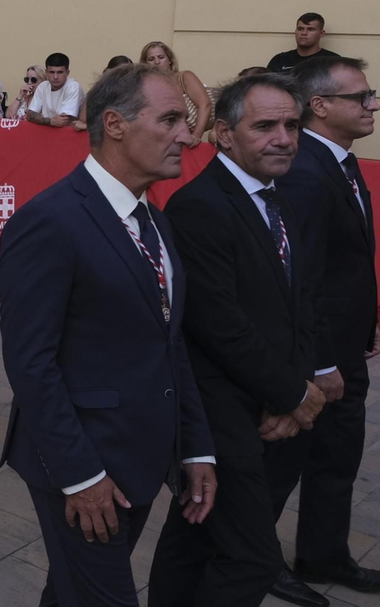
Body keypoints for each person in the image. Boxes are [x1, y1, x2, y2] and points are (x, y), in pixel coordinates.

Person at [0, 63, 216, 606]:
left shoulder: (156, 221)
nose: (187, 135)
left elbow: (171, 343)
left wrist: (196, 448)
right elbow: (31, 363)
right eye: (169, 119)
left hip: (141, 459)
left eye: (185, 121)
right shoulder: (50, 220)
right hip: (82, 467)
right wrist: (80, 475)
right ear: (115, 125)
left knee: (72, 592)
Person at [147, 73, 323, 607]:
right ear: (224, 134)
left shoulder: (276, 197)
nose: (284, 137)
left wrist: (294, 394)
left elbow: (299, 305)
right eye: (265, 125)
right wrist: (295, 395)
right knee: (252, 561)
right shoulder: (200, 206)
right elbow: (219, 325)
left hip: (267, 410)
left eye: (292, 125)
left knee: (195, 537)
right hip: (220, 416)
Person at [273, 56, 380, 606]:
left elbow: (348, 260)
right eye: (361, 96)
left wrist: (366, 324)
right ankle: (257, 561)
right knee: (282, 462)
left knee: (339, 455)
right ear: (320, 105)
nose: (372, 105)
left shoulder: (340, 161)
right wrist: (317, 363)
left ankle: (322, 554)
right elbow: (301, 277)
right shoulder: (308, 171)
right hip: (317, 358)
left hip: (344, 345)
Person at [140, 42, 212, 144]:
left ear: (169, 60)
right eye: (151, 59)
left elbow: (205, 105)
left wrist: (196, 136)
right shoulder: (145, 86)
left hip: (186, 140)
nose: (157, 62)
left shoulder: (184, 77)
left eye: (161, 57)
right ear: (145, 63)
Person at [268, 12, 340, 73]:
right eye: (300, 29)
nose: (304, 33)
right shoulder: (280, 60)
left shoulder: (333, 61)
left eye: (310, 29)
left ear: (322, 34)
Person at [26, 52, 83, 128]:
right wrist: (50, 121)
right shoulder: (43, 86)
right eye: (52, 72)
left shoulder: (73, 87)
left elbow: (63, 121)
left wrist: (42, 120)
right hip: (47, 132)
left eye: (60, 72)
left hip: (69, 134)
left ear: (67, 73)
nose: (55, 77)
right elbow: (30, 114)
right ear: (46, 72)